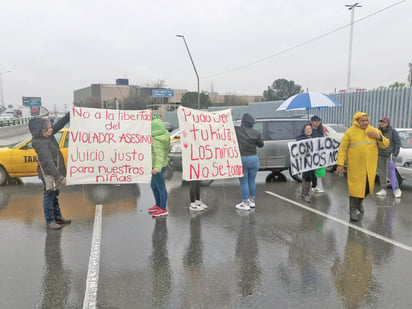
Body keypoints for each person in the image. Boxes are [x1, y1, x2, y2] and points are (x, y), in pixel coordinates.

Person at [336, 112, 389, 222]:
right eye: (362, 121)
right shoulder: (350, 132)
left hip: (370, 167)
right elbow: (342, 149)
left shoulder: (374, 131)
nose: (365, 122)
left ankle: (359, 203)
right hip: (355, 166)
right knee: (355, 189)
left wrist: (379, 137)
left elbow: (386, 144)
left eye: (366, 120)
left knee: (367, 188)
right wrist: (340, 163)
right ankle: (353, 209)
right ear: (357, 121)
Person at [29, 112, 71, 230]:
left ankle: (58, 217)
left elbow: (59, 124)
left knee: (54, 195)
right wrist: (60, 177)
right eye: (49, 128)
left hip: (54, 172)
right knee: (49, 195)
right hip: (49, 174)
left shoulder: (48, 135)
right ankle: (50, 220)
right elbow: (48, 162)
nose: (51, 129)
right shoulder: (40, 143)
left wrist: (69, 114)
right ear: (41, 131)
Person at [234, 113, 264, 211]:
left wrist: (229, 114)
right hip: (254, 158)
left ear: (243, 122)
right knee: (252, 180)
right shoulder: (256, 132)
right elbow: (261, 145)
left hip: (243, 158)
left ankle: (245, 203)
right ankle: (252, 201)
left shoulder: (238, 130)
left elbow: (226, 125)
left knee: (243, 181)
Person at [148, 115, 170, 217]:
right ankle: (158, 205)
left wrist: (156, 168)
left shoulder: (157, 140)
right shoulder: (164, 134)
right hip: (160, 165)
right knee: (153, 185)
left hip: (158, 167)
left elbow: (159, 155)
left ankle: (163, 208)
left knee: (161, 187)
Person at [376, 117, 402, 198]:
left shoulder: (392, 131)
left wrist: (394, 154)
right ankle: (383, 189)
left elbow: (397, 143)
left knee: (391, 172)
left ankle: (396, 189)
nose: (382, 123)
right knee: (381, 173)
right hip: (380, 155)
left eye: (384, 122)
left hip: (389, 155)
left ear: (388, 123)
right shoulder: (378, 131)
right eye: (381, 122)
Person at [296, 123, 315, 203]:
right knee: (307, 176)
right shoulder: (300, 139)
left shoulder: (315, 138)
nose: (308, 130)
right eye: (307, 129)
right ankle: (305, 194)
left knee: (312, 177)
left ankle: (305, 193)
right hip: (304, 161)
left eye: (310, 129)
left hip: (313, 161)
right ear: (304, 130)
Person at [310, 115, 326, 193]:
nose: (317, 122)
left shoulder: (320, 130)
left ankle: (318, 186)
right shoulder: (309, 130)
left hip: (319, 154)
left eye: (319, 121)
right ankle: (314, 185)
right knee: (312, 171)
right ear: (311, 122)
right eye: (316, 121)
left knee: (320, 170)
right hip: (311, 154)